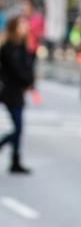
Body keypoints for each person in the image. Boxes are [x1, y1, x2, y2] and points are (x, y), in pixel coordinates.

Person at [0, 16, 34, 174]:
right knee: (18, 127)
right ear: (14, 26)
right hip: (10, 91)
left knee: (18, 127)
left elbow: (28, 66)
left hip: (18, 91)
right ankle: (13, 158)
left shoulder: (22, 45)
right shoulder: (8, 47)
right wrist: (27, 80)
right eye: (22, 24)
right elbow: (16, 70)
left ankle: (15, 161)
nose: (26, 27)